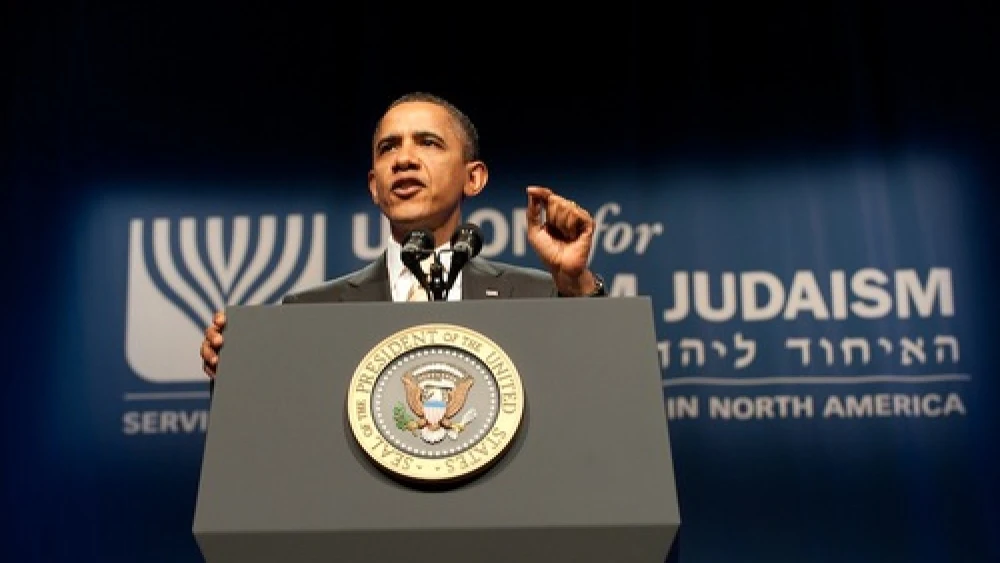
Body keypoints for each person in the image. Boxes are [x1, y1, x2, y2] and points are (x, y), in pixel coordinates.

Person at [201, 91, 606, 377]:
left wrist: (576, 285)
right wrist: (240, 372)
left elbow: (601, 389)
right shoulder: (311, 313)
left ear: (474, 177)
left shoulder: (539, 297)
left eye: (428, 143)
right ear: (374, 185)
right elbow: (285, 429)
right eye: (388, 148)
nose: (405, 160)